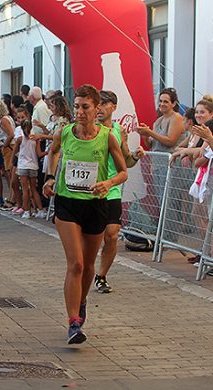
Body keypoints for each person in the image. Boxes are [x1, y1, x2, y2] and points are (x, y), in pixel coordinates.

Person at [42, 84, 127, 344]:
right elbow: (53, 152)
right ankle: (73, 323)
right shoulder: (65, 132)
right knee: (76, 263)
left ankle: (81, 301)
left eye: (85, 107)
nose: (79, 111)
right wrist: (50, 178)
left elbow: (124, 171)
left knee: (89, 266)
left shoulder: (108, 136)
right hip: (68, 203)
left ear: (96, 108)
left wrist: (108, 184)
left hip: (95, 205)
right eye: (77, 106)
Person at [94, 90, 145, 293]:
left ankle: (101, 276)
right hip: (90, 190)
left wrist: (135, 155)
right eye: (97, 104)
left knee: (112, 235)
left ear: (113, 107)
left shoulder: (119, 130)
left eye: (104, 104)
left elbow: (126, 162)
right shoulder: (89, 129)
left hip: (112, 189)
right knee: (91, 237)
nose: (99, 108)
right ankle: (84, 269)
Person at [14, 119, 42, 219]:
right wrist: (47, 152)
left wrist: (18, 157)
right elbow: (39, 154)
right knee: (34, 189)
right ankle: (40, 209)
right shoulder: (35, 139)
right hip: (33, 166)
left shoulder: (20, 139)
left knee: (25, 190)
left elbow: (15, 152)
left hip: (22, 165)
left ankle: (26, 211)